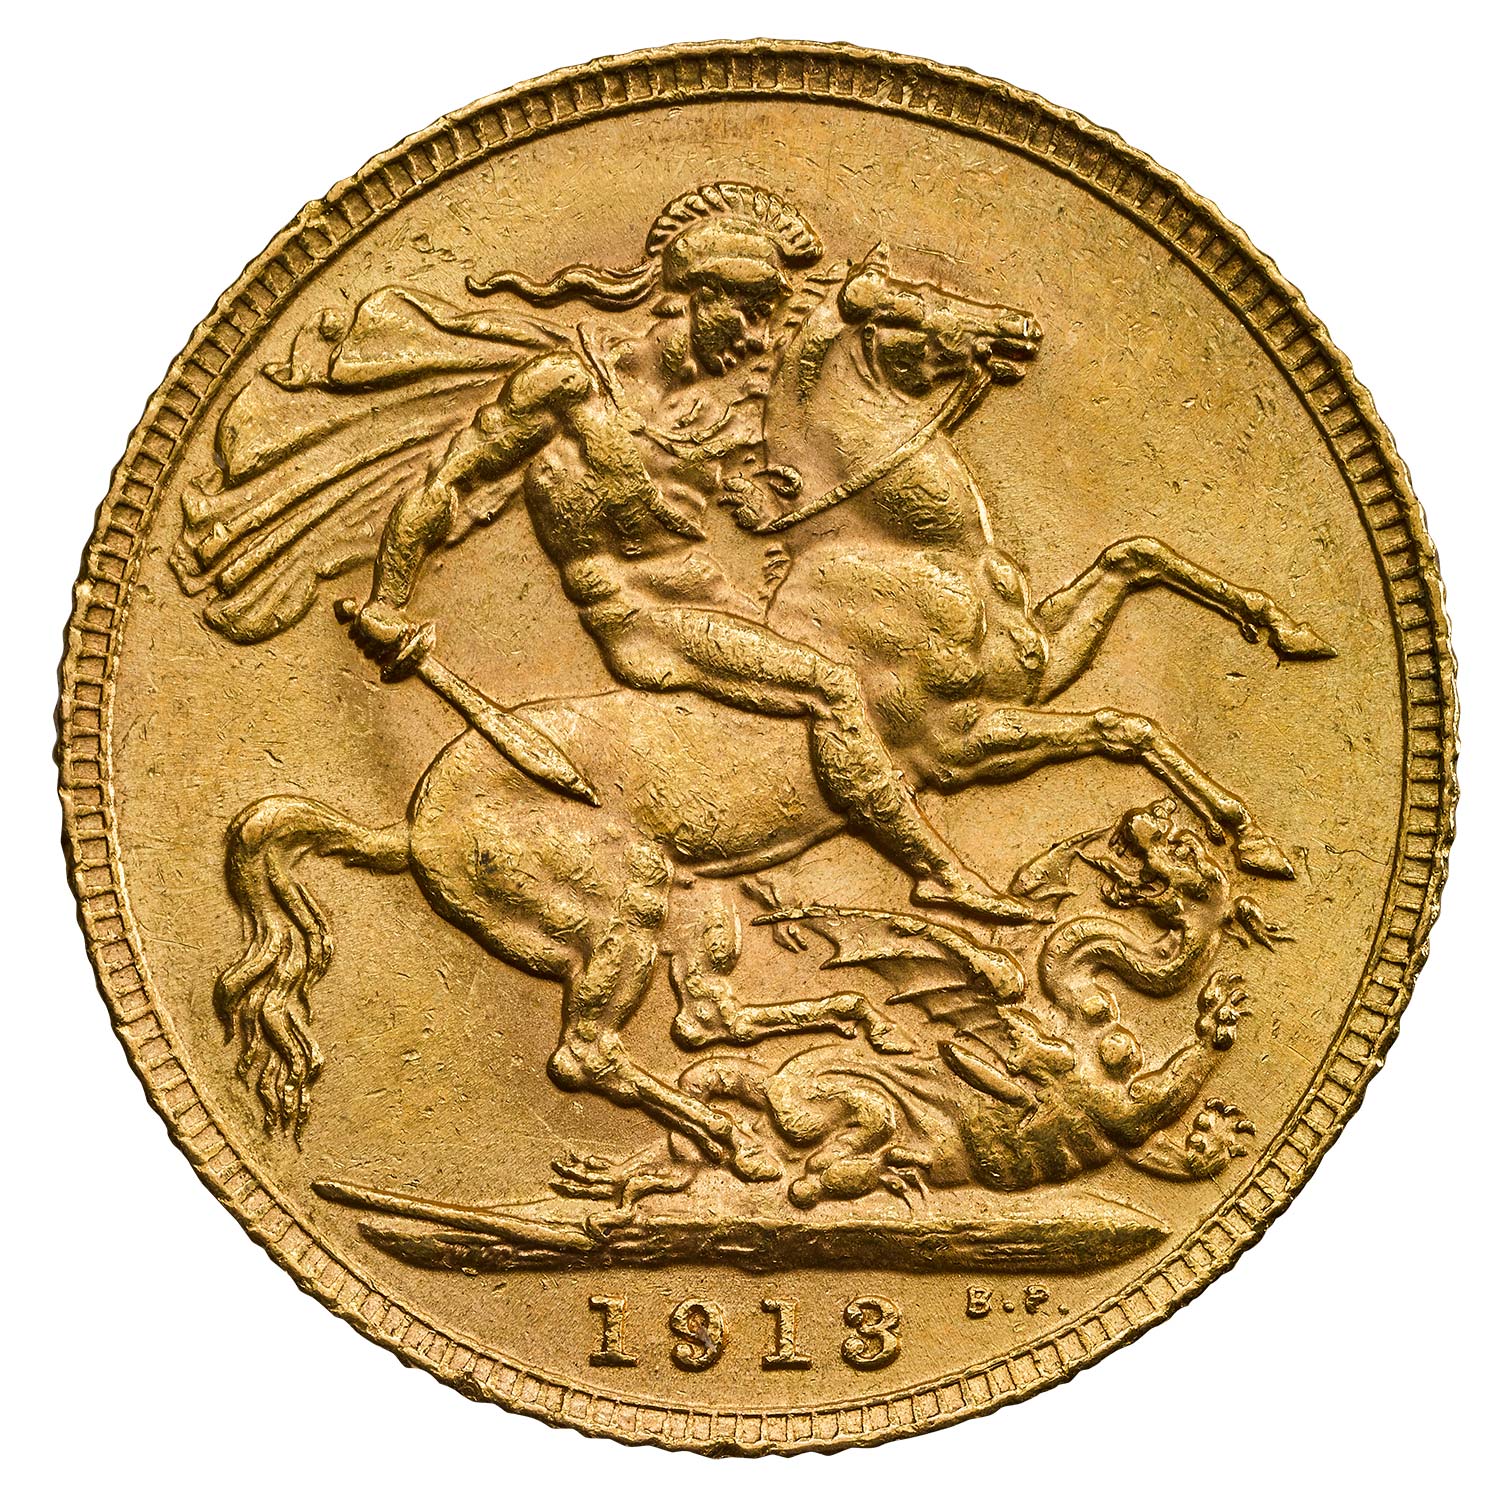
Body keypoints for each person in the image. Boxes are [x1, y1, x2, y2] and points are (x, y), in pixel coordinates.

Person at [349, 182, 1037, 925]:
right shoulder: (568, 391)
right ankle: (939, 875)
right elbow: (448, 482)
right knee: (832, 686)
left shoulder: (714, 407)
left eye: (770, 319)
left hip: (719, 605)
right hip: (646, 622)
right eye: (750, 314)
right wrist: (389, 598)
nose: (758, 340)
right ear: (700, 298)